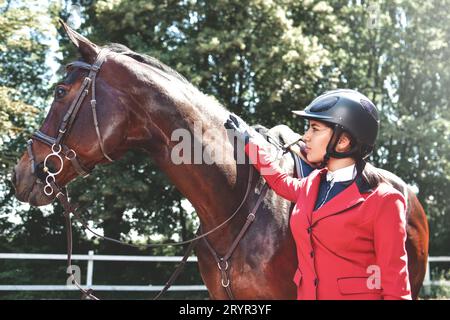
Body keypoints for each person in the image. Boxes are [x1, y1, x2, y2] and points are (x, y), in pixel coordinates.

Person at [225, 89, 411, 300]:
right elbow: (278, 180)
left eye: (315, 129)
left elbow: (396, 286)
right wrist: (250, 142)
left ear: (343, 141)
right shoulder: (311, 185)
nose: (305, 136)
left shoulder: (385, 201)